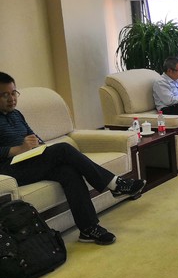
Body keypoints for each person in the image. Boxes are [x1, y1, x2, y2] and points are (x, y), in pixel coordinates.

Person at [0, 72, 146, 246]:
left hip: (31, 160)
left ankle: (88, 229)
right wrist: (18, 149)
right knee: (63, 149)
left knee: (68, 172)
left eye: (14, 93)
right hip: (9, 170)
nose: (11, 99)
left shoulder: (17, 114)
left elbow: (34, 137)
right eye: (5, 95)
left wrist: (39, 146)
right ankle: (115, 184)